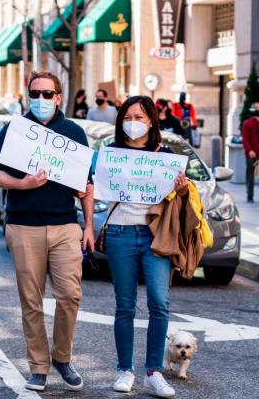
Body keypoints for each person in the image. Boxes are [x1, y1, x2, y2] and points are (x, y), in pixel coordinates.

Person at [0, 70, 94, 392]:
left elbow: (86, 184)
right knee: (31, 301)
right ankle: (38, 367)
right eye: (36, 93)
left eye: (48, 94)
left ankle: (62, 357)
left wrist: (88, 225)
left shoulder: (73, 132)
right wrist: (22, 183)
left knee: (70, 295)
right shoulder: (15, 130)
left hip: (64, 226)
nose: (42, 100)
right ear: (28, 95)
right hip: (23, 226)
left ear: (59, 97)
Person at [102, 96, 188, 398]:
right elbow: (93, 187)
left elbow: (177, 199)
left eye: (140, 117)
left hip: (155, 236)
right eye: (128, 116)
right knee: (124, 305)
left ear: (151, 120)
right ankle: (124, 369)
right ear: (120, 120)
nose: (134, 122)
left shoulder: (164, 154)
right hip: (120, 233)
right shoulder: (110, 153)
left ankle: (153, 372)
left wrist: (181, 189)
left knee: (159, 302)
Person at [242, 103, 259, 203]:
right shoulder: (247, 123)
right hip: (251, 155)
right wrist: (249, 150)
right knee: (250, 175)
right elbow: (245, 139)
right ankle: (250, 195)